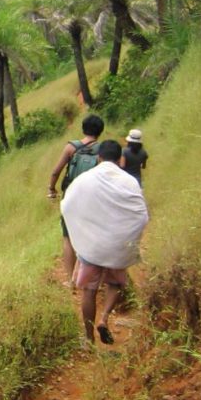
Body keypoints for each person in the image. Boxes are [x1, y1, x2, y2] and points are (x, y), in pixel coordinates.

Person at [61, 140, 150, 345]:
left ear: (99, 157)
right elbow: (141, 215)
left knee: (89, 291)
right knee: (115, 283)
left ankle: (88, 338)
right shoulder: (129, 181)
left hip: (92, 248)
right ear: (120, 159)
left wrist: (83, 231)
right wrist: (126, 237)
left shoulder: (84, 180)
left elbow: (66, 206)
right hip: (117, 247)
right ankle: (104, 318)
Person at [47, 114, 105, 287]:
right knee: (92, 235)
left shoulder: (71, 148)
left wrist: (51, 189)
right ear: (100, 131)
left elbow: (55, 172)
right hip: (93, 199)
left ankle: (71, 280)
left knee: (68, 238)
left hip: (71, 197)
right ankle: (93, 278)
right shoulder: (102, 150)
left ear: (83, 128)